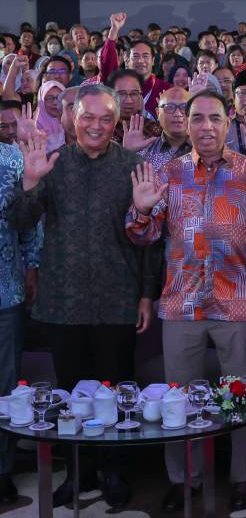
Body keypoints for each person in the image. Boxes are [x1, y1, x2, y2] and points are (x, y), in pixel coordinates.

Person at [125, 90, 246, 513]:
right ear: (185, 123)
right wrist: (140, 212)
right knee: (180, 396)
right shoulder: (167, 173)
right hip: (181, 301)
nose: (206, 126)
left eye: (214, 118)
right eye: (198, 118)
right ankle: (184, 478)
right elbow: (144, 237)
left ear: (228, 123)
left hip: (237, 300)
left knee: (243, 394)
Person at [9, 84, 156, 509]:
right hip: (63, 302)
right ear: (73, 118)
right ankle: (78, 472)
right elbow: (20, 220)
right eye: (87, 117)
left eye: (105, 118)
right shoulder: (51, 163)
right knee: (73, 396)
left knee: (115, 392)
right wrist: (30, 181)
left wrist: (146, 296)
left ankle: (114, 472)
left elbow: (149, 239)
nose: (95, 125)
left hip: (118, 298)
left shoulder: (134, 165)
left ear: (116, 122)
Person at [0, 140, 41, 505]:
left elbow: (29, 224)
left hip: (5, 290)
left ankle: (2, 470)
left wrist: (32, 266)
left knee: (4, 387)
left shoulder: (12, 158)